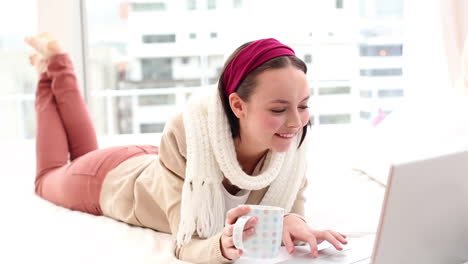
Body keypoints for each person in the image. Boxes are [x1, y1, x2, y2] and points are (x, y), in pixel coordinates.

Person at [25, 33, 347, 263]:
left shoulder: (290, 145)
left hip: (149, 163)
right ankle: (51, 68)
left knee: (80, 155)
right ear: (237, 105)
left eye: (303, 106)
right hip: (108, 181)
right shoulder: (189, 136)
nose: (295, 122)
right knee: (48, 177)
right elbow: (185, 243)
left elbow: (292, 207)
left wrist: (295, 222)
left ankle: (54, 63)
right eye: (278, 110)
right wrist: (219, 247)